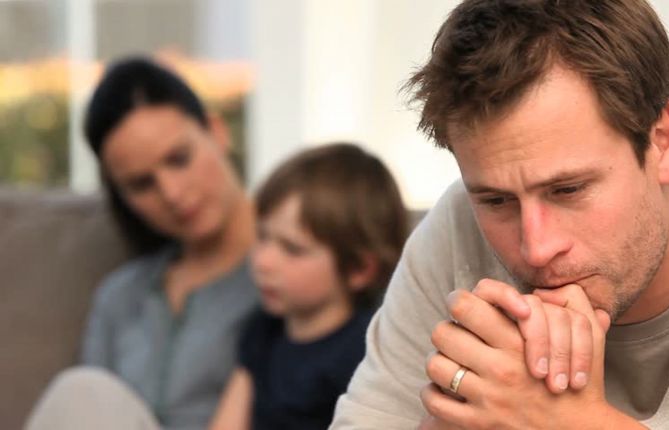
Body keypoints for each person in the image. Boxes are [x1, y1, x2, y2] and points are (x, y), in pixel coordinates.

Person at [331, 1, 669, 429]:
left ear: (663, 142)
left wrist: (571, 422)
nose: (536, 250)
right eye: (497, 201)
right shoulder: (456, 228)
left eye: (568, 189)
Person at [26, 57, 258, 430]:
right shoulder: (120, 296)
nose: (172, 193)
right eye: (141, 184)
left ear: (216, 132)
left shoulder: (293, 273)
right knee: (81, 393)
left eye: (179, 159)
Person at [209, 143, 409, 430]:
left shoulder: (365, 353)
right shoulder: (263, 329)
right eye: (263, 237)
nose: (263, 261)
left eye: (292, 249)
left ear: (359, 269)